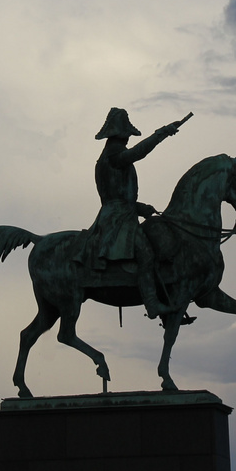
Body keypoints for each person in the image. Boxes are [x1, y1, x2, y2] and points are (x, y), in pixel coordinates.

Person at [86, 107, 190, 318]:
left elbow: (120, 194)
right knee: (146, 254)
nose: (127, 138)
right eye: (126, 134)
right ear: (120, 133)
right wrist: (162, 134)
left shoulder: (111, 155)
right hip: (117, 218)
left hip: (123, 212)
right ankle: (152, 304)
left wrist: (140, 207)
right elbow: (137, 153)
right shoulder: (114, 155)